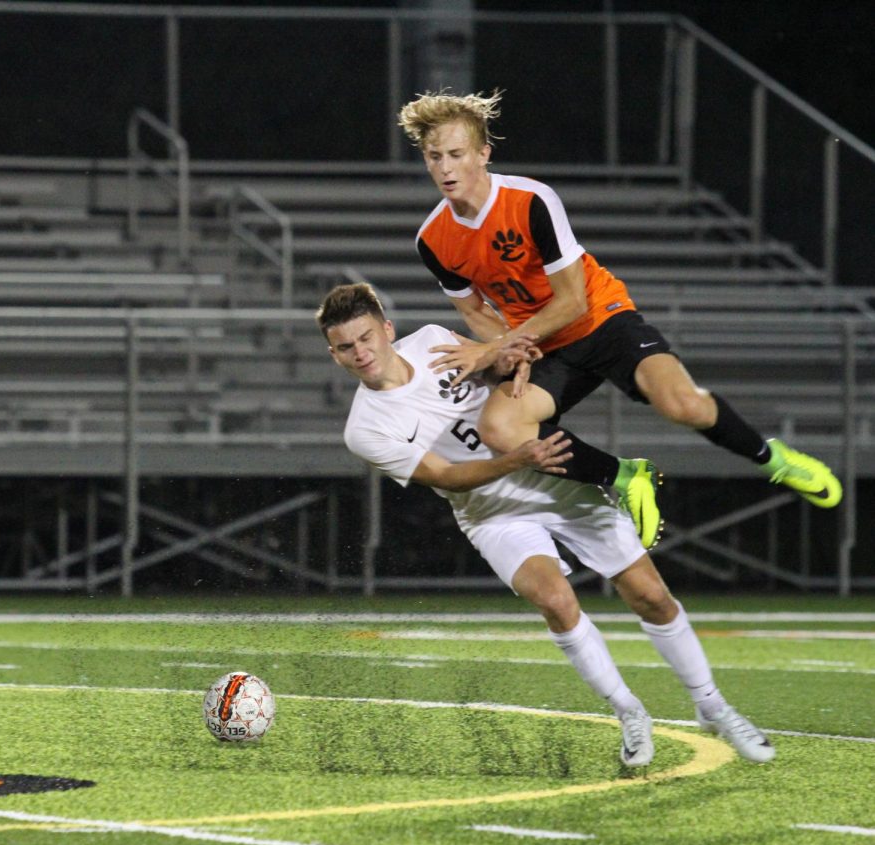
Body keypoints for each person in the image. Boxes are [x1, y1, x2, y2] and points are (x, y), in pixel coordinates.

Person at [315, 281, 775, 766]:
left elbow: (501, 375)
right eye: (347, 347)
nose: (361, 352)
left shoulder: (431, 340)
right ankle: (629, 712)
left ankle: (712, 705)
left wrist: (509, 357)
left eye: (367, 337)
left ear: (387, 329)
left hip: (554, 479)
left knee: (651, 596)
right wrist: (515, 458)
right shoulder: (364, 429)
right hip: (490, 511)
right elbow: (448, 475)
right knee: (556, 600)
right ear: (335, 355)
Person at [397, 89, 842, 542]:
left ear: (483, 153)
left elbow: (574, 302)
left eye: (456, 154)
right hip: (546, 345)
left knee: (683, 406)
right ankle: (629, 477)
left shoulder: (531, 201)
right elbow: (473, 309)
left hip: (602, 320)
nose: (446, 168)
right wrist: (513, 344)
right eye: (435, 157)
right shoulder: (432, 239)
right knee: (499, 428)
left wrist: (499, 346)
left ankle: (775, 460)